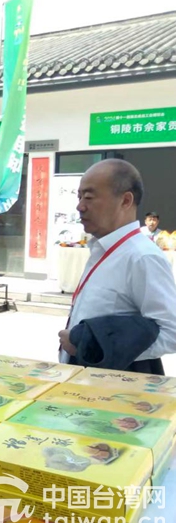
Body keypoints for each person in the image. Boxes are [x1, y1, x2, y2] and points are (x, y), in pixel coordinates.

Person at [58, 160, 176, 374]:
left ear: (126, 200)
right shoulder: (102, 249)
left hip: (116, 383)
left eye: (89, 197)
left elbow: (171, 332)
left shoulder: (142, 257)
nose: (80, 206)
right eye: (79, 197)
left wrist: (93, 347)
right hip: (86, 378)